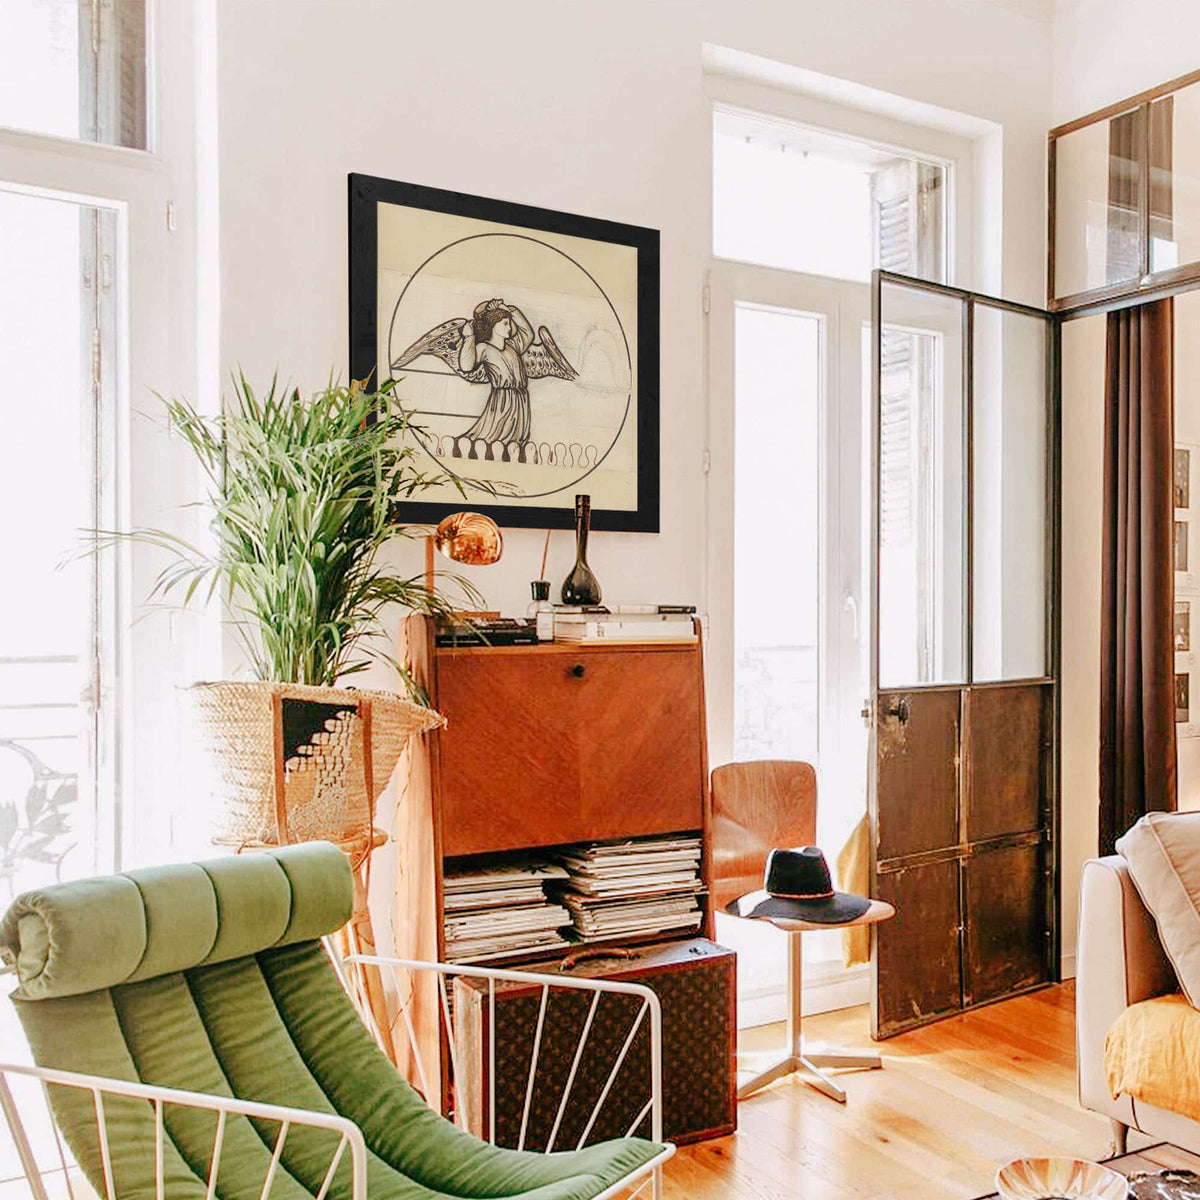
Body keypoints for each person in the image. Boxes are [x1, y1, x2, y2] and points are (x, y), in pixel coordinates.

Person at [457, 298, 535, 445]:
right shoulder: (484, 348)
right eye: (505, 323)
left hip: (520, 398)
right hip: (502, 400)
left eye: (510, 323)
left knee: (517, 441)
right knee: (493, 439)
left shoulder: (514, 345)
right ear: (493, 324)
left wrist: (506, 308)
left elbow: (528, 333)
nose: (510, 328)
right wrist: (469, 337)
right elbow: (466, 366)